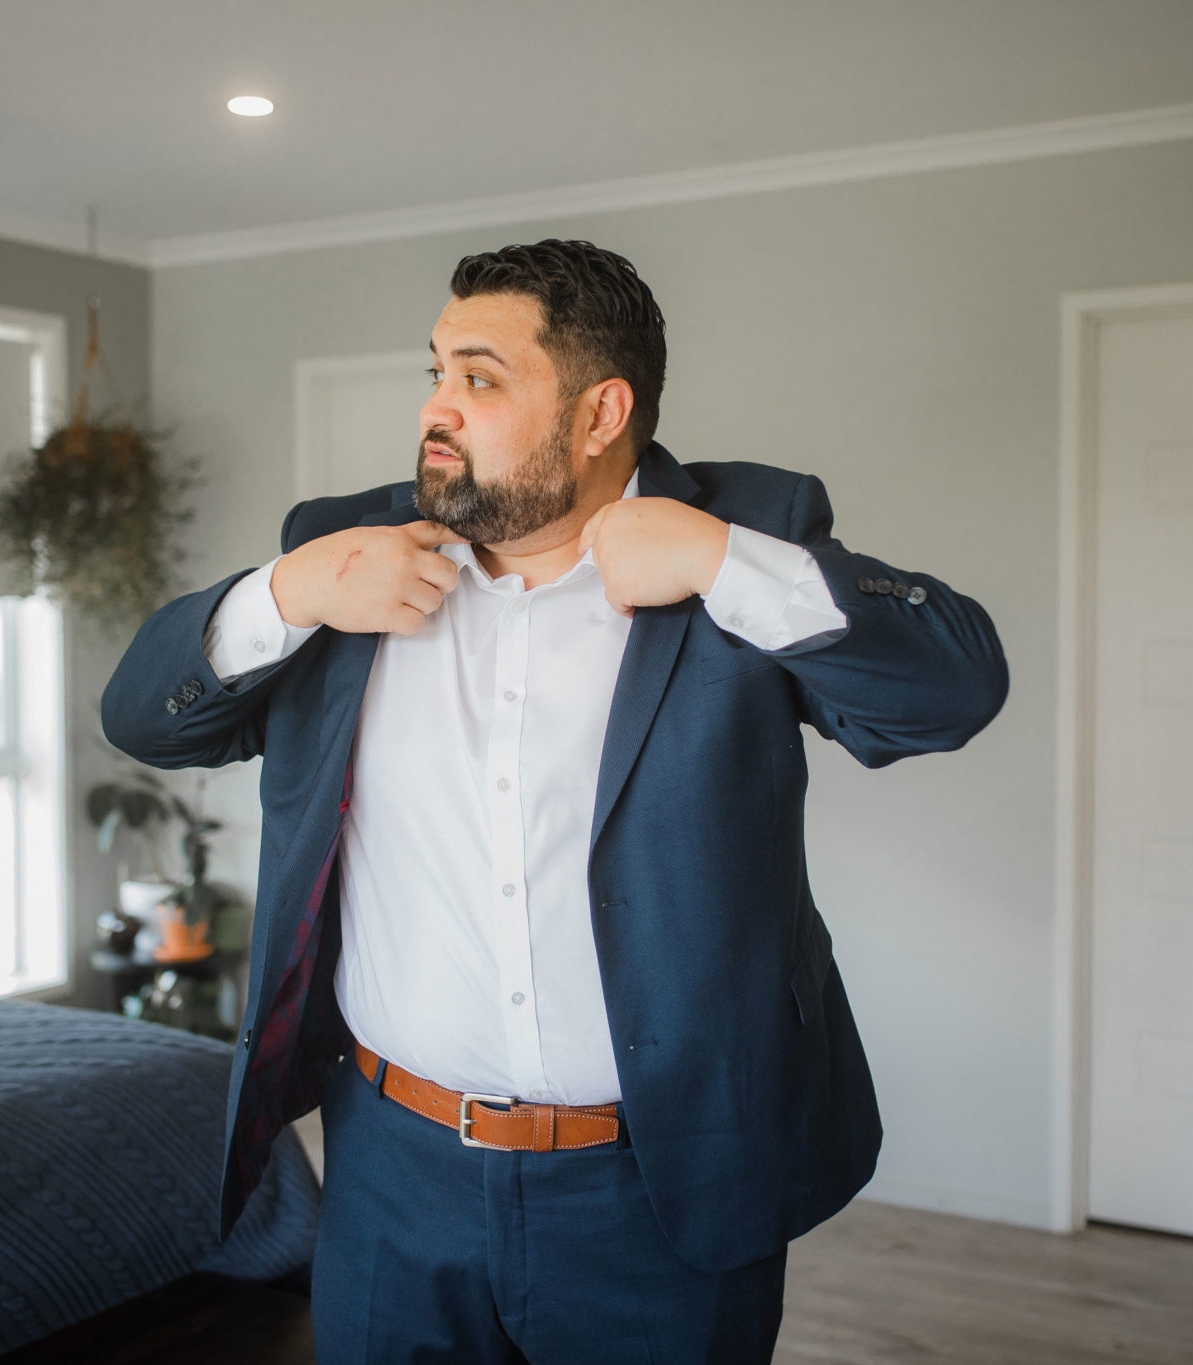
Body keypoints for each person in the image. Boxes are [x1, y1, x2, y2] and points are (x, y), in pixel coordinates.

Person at [101, 238, 1007, 1362]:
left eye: (478, 378)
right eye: (433, 371)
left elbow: (950, 692)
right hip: (392, 1173)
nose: (438, 408)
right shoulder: (345, 551)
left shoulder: (747, 533)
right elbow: (143, 716)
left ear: (597, 414)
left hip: (662, 1186)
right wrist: (291, 589)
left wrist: (723, 562)